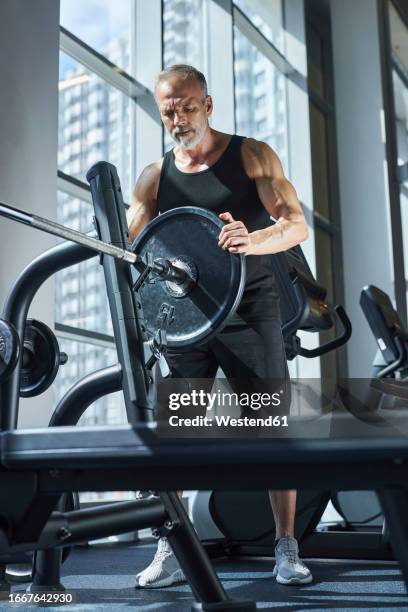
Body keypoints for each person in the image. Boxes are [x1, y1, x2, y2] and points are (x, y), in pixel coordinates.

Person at [126, 64, 311, 588]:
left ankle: (286, 547)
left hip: (250, 306)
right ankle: (170, 547)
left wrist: (251, 240)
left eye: (187, 107)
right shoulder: (154, 176)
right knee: (177, 432)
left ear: (208, 106)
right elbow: (129, 248)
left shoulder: (251, 155)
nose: (178, 118)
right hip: (187, 317)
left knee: (269, 428)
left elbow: (295, 224)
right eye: (168, 111)